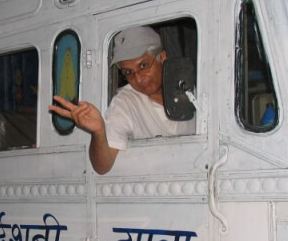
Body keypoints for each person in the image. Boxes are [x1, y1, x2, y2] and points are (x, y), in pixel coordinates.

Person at [49, 26, 194, 174]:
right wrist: (99, 132)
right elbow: (102, 166)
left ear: (162, 57)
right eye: (128, 72)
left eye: (143, 66)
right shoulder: (125, 102)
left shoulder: (191, 89)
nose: (138, 78)